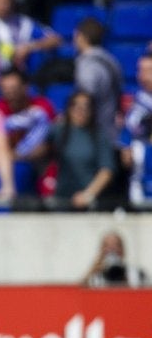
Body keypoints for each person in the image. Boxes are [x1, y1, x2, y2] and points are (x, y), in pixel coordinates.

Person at [43, 91, 115, 210]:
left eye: (86, 107)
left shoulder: (99, 136)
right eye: (75, 106)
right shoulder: (57, 131)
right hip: (61, 199)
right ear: (69, 109)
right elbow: (38, 149)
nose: (81, 110)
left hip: (89, 202)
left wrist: (88, 195)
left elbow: (106, 171)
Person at [0, 0, 62, 85]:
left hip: (17, 80)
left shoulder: (24, 23)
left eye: (6, 0)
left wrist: (29, 47)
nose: (3, 4)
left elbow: (56, 39)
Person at [73, 17, 123, 144]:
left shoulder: (87, 64)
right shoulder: (112, 61)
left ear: (81, 37)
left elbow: (86, 95)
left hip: (93, 136)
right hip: (110, 130)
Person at [0, 68, 55, 162]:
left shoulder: (42, 107)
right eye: (4, 89)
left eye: (13, 88)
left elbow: (47, 145)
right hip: (8, 162)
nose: (9, 93)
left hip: (39, 163)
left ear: (25, 87)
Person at [119, 52, 152, 205]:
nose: (142, 76)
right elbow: (127, 133)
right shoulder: (136, 103)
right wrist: (125, 148)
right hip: (140, 180)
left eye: (148, 71)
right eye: (140, 71)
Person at [82, 230, 148, 287]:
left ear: (123, 250)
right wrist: (93, 270)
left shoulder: (137, 274)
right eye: (107, 246)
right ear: (101, 251)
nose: (112, 249)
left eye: (116, 245)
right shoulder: (95, 277)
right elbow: (79, 293)